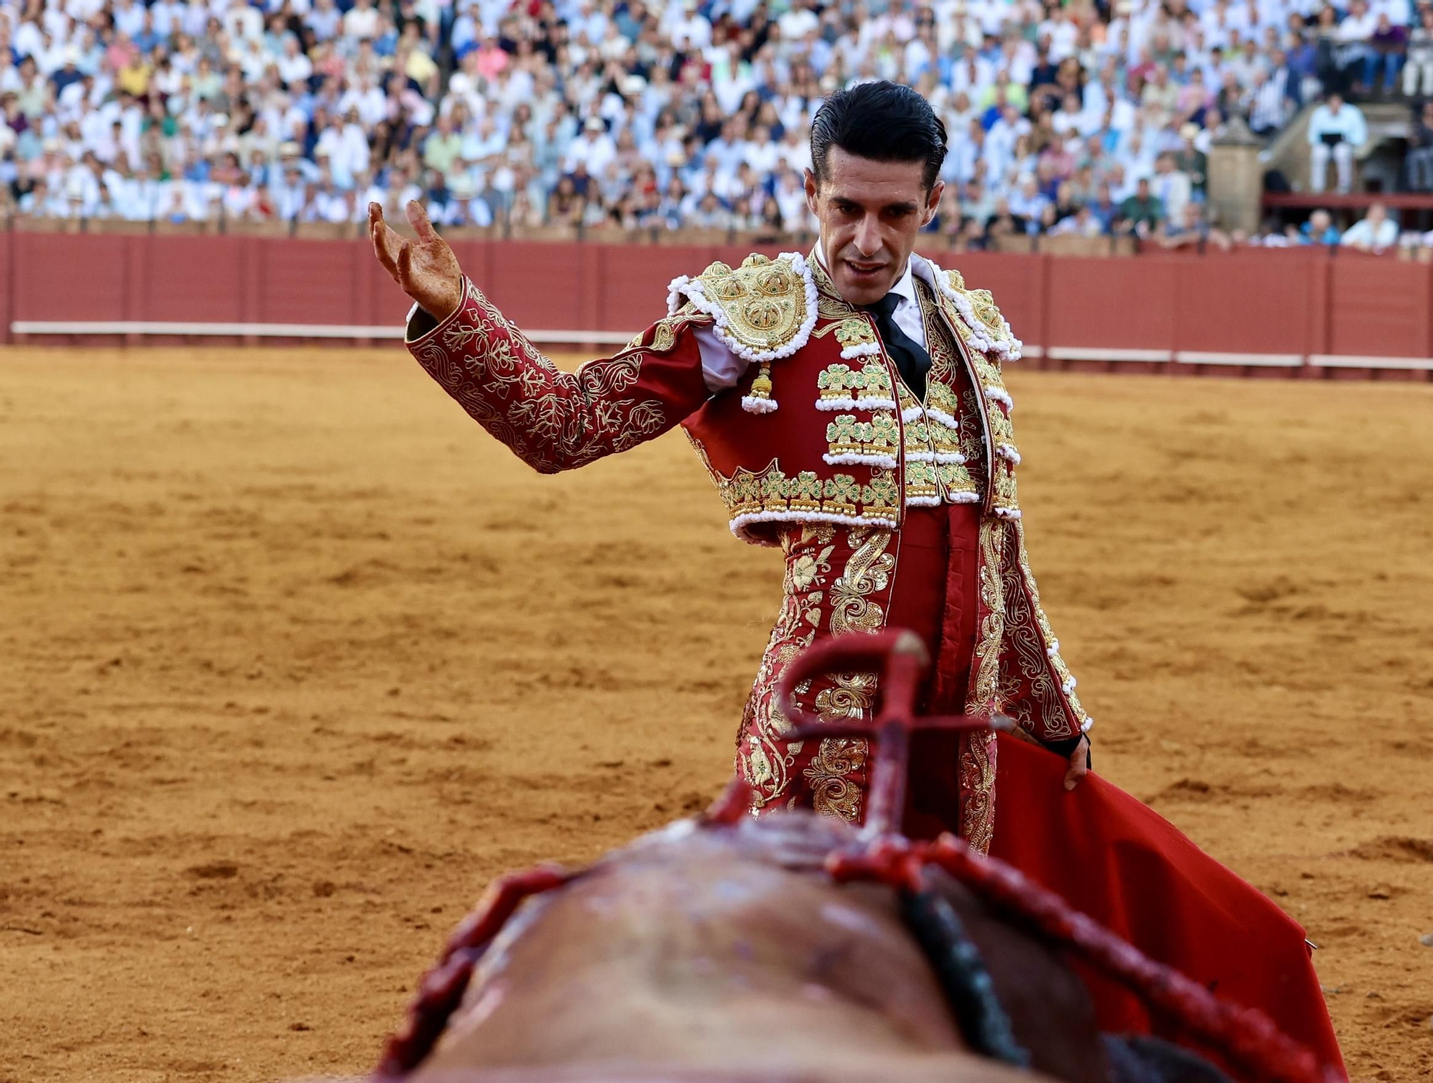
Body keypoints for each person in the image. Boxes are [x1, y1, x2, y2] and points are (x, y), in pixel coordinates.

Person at [367, 81, 1346, 1078]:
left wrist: (1050, 720)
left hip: (969, 744)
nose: (867, 239)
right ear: (810, 190)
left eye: (895, 214)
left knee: (1239, 944)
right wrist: (455, 316)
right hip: (820, 752)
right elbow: (565, 427)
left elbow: (995, 547)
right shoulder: (746, 318)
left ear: (933, 206)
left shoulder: (962, 326)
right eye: (846, 208)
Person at [1307, 91, 1366, 194]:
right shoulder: (1319, 113)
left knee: (1342, 153)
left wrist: (1347, 139)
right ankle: (1317, 188)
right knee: (1318, 153)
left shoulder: (1352, 112)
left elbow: (1360, 135)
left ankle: (1344, 187)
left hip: (1344, 144)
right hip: (1324, 144)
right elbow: (1312, 135)